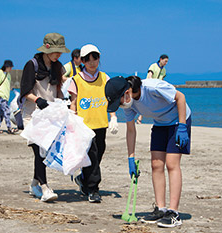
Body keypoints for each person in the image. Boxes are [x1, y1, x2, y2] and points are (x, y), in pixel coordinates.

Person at [105, 76, 191, 228]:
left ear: (127, 92)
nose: (121, 106)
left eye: (119, 102)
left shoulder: (152, 87)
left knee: (172, 164)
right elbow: (131, 130)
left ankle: (174, 212)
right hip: (160, 124)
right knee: (156, 164)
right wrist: (130, 158)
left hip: (179, 121)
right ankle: (161, 208)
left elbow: (180, 97)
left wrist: (182, 126)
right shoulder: (129, 104)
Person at [19, 32, 70, 202]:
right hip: (32, 114)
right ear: (47, 49)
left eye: (60, 51)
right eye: (56, 51)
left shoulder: (58, 66)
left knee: (43, 151)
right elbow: (25, 91)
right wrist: (37, 99)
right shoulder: (31, 65)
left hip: (50, 115)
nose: (59, 54)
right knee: (39, 150)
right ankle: (45, 188)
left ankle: (34, 184)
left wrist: (65, 104)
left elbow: (59, 90)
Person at [68, 44, 119, 203]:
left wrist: (114, 117)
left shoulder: (105, 78)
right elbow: (74, 103)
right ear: (82, 61)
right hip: (84, 126)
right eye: (87, 59)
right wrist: (72, 120)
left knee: (99, 153)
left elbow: (110, 99)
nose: (92, 62)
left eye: (95, 58)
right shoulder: (76, 80)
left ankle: (83, 179)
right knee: (92, 155)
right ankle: (93, 189)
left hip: (101, 124)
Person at [137, 54, 169, 124]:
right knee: (146, 103)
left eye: (167, 62)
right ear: (161, 59)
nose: (166, 63)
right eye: (165, 61)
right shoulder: (153, 66)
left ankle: (159, 119)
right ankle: (139, 118)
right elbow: (149, 76)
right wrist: (151, 84)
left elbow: (162, 80)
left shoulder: (164, 70)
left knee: (158, 103)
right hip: (149, 86)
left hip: (157, 88)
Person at [0, 60, 15, 134]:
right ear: (6, 67)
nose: (11, 69)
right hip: (0, 95)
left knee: (0, 113)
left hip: (6, 96)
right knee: (7, 111)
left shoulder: (8, 75)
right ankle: (9, 128)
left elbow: (6, 85)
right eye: (10, 67)